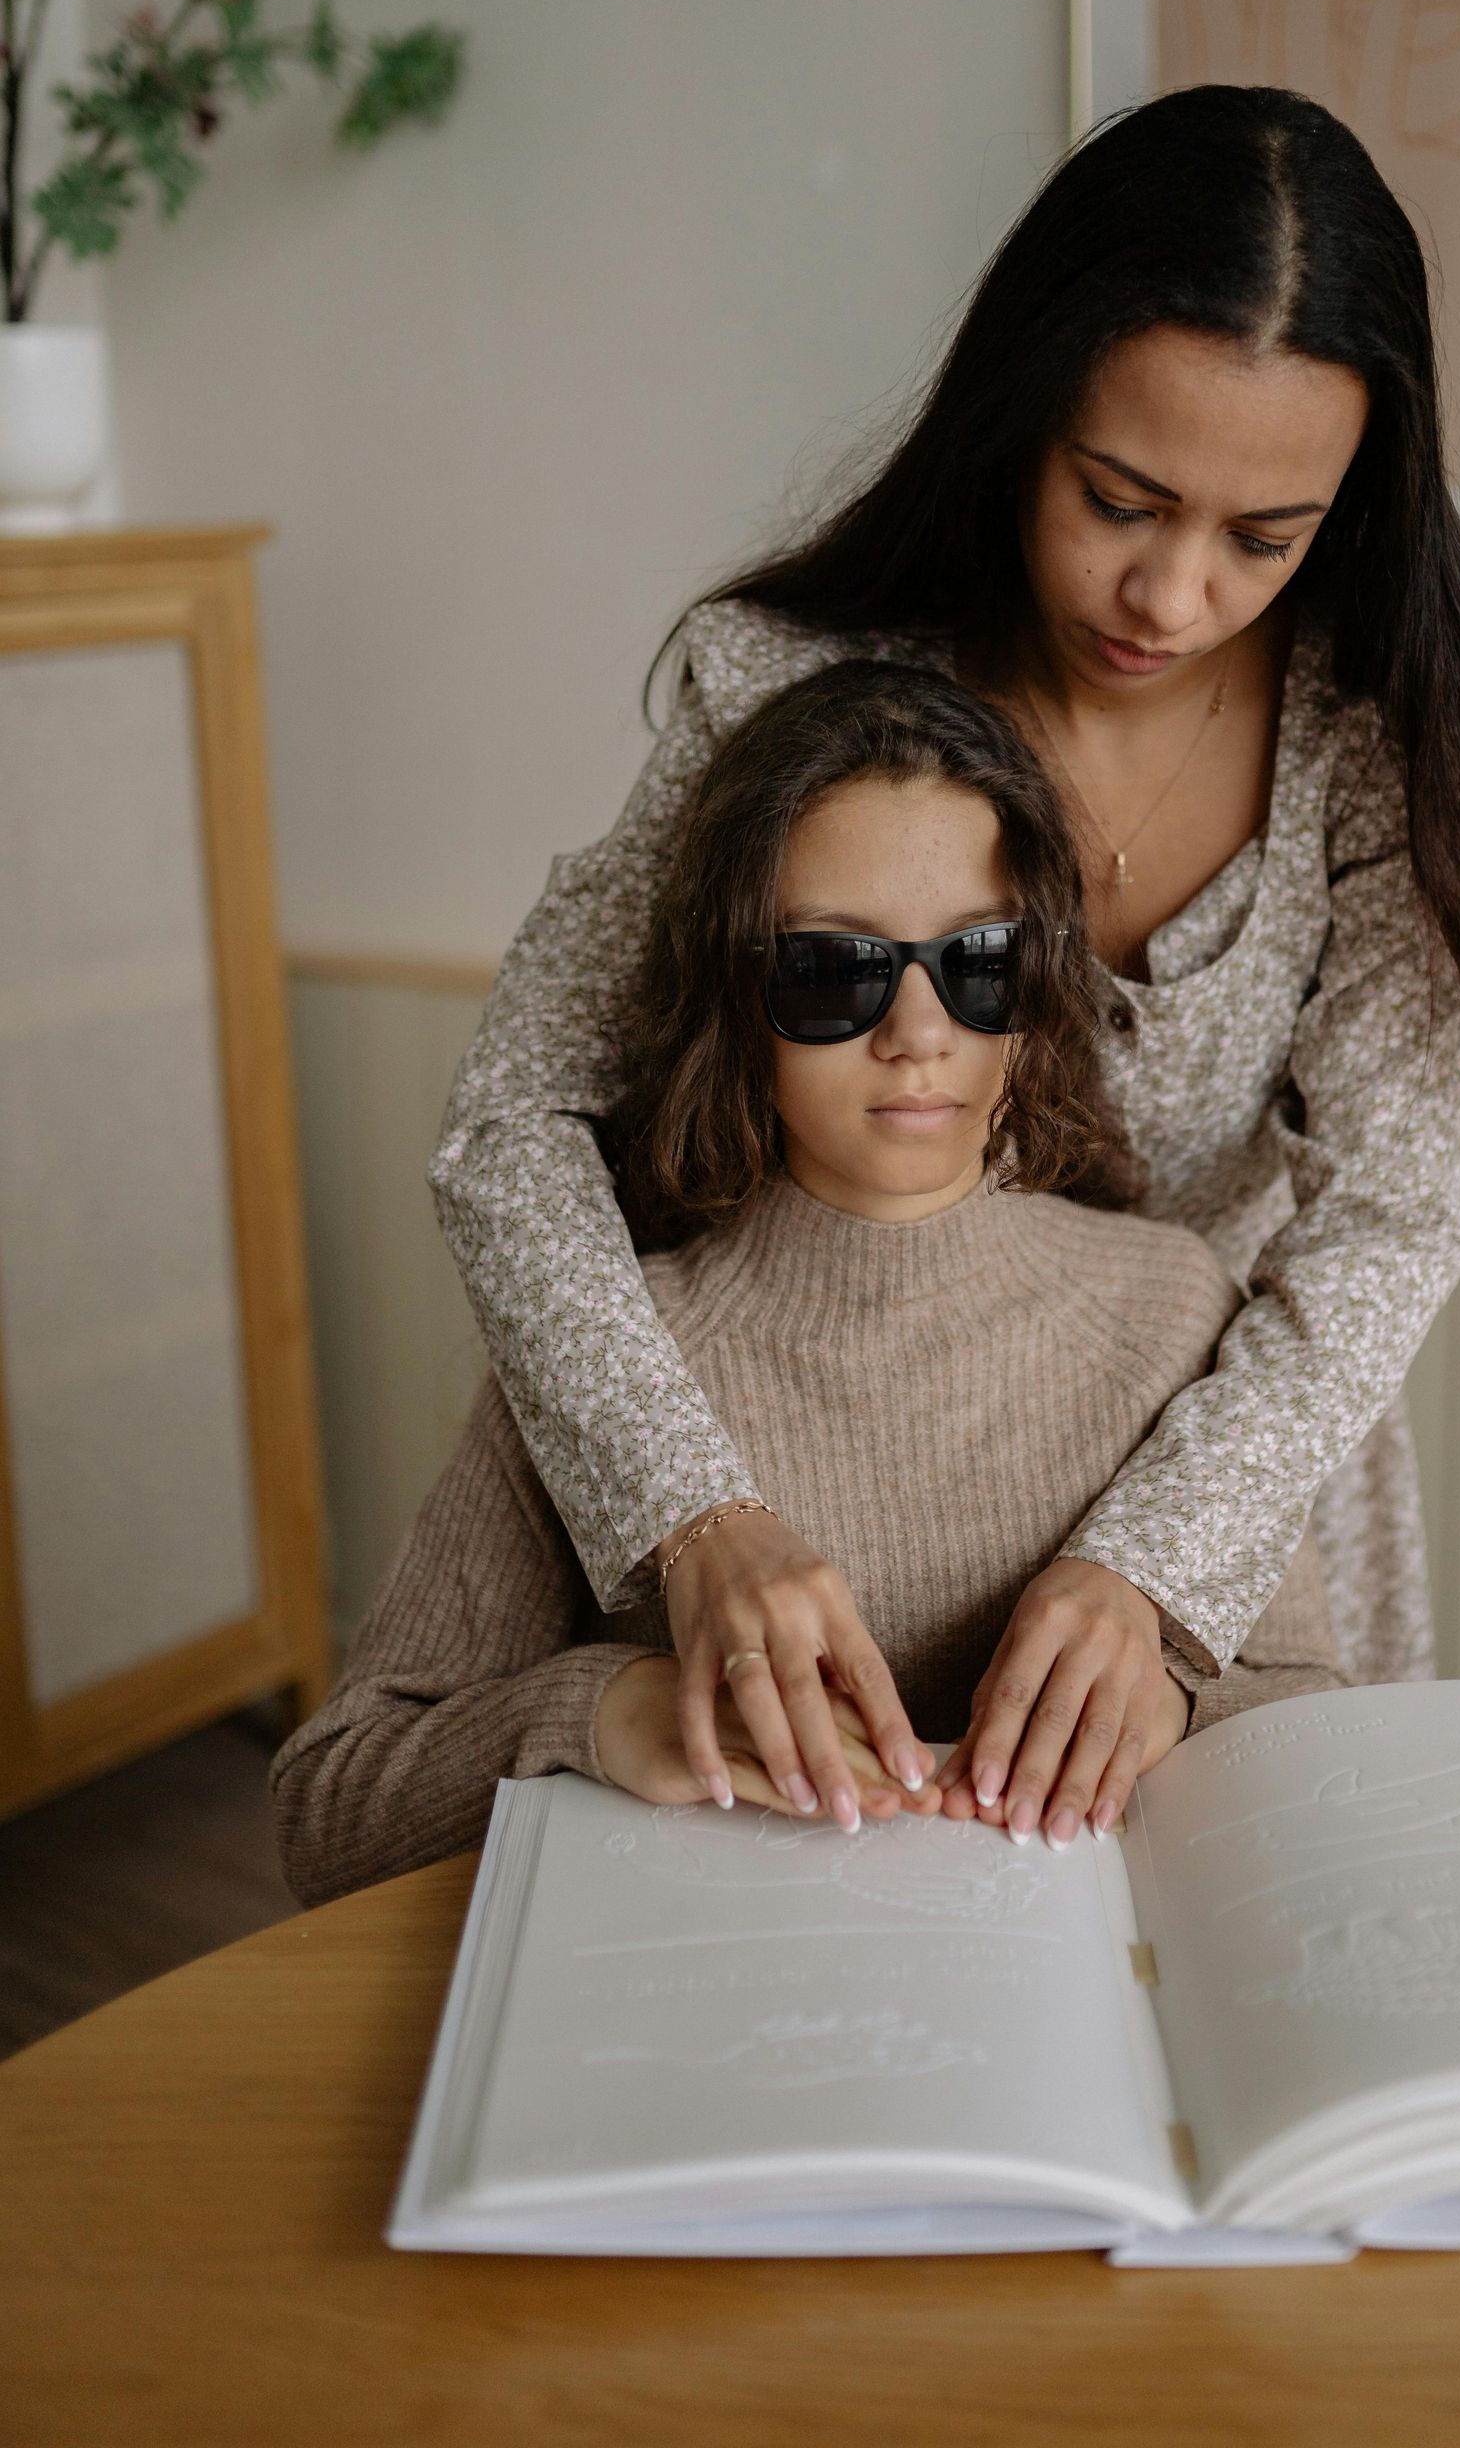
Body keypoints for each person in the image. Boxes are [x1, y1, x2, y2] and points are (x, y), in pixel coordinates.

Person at [429, 84, 1460, 1857]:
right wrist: (691, 1514)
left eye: (1264, 539)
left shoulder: (1366, 749)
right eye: (1121, 497)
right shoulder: (789, 699)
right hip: (827, 1474)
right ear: (1023, 408)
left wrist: (1160, 1570)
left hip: (1220, 1480)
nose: (1176, 595)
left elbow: (1395, 1212)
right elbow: (516, 1114)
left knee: (1242, 1947)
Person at [272, 665, 1343, 1906]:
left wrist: (1171, 1694)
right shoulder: (610, 1352)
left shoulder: (1176, 1311)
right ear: (739, 996)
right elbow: (330, 1809)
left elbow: (1317, 1711)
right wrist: (604, 1711)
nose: (918, 1027)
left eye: (978, 961)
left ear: (1035, 982)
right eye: (838, 971)